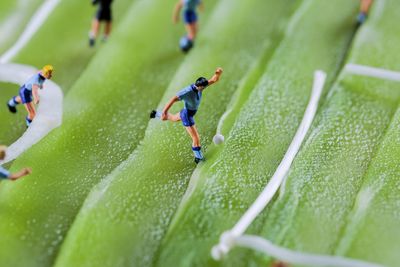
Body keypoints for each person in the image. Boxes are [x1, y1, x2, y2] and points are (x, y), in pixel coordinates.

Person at [150, 67, 223, 163]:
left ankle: (156, 114)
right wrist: (165, 111)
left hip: (187, 113)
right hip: (187, 115)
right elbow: (173, 99)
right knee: (196, 137)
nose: (204, 88)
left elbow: (213, 80)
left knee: (172, 118)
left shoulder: (200, 86)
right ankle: (198, 158)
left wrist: (218, 73)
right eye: (203, 87)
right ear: (199, 86)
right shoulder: (187, 91)